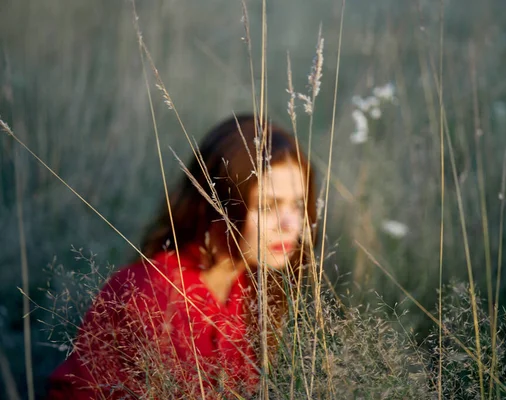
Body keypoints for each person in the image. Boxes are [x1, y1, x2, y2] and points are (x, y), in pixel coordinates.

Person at [46, 114, 317, 399]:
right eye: (267, 206)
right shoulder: (150, 295)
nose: (290, 225)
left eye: (298, 205)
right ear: (218, 203)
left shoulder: (251, 289)